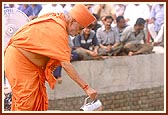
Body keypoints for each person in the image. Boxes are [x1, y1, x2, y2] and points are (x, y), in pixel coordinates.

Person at [4, 4, 97, 111]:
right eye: (80, 28)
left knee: (32, 103)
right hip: (19, 62)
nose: (79, 33)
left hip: (29, 66)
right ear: (72, 21)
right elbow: (66, 64)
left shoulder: (56, 19)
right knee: (26, 104)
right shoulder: (58, 28)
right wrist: (86, 88)